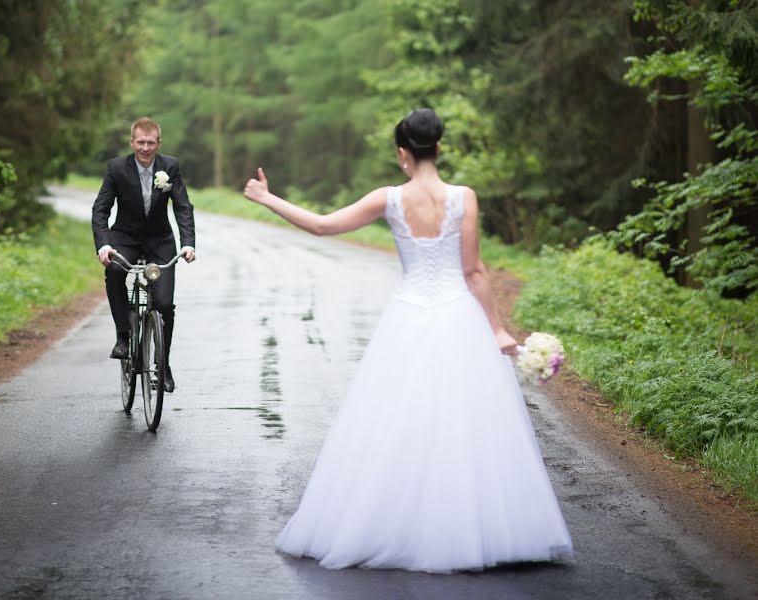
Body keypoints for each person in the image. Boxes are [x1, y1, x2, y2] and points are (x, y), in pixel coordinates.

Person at [242, 108, 573, 572]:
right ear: (438, 147)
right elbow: (474, 271)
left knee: (397, 421)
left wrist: (267, 198)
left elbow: (321, 225)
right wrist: (497, 328)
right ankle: (469, 529)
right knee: (466, 424)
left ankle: (392, 524)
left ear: (403, 153)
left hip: (408, 318)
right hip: (458, 315)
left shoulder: (389, 199)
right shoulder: (464, 197)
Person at [92, 117, 196, 393]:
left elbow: (183, 207)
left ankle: (164, 365)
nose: (146, 148)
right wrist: (104, 245)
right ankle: (123, 336)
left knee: (163, 303)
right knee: (114, 271)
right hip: (124, 238)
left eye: (151, 143)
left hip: (160, 240)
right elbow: (101, 209)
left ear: (158, 143)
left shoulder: (170, 167)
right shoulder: (116, 168)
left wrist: (188, 243)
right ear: (132, 142)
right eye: (141, 142)